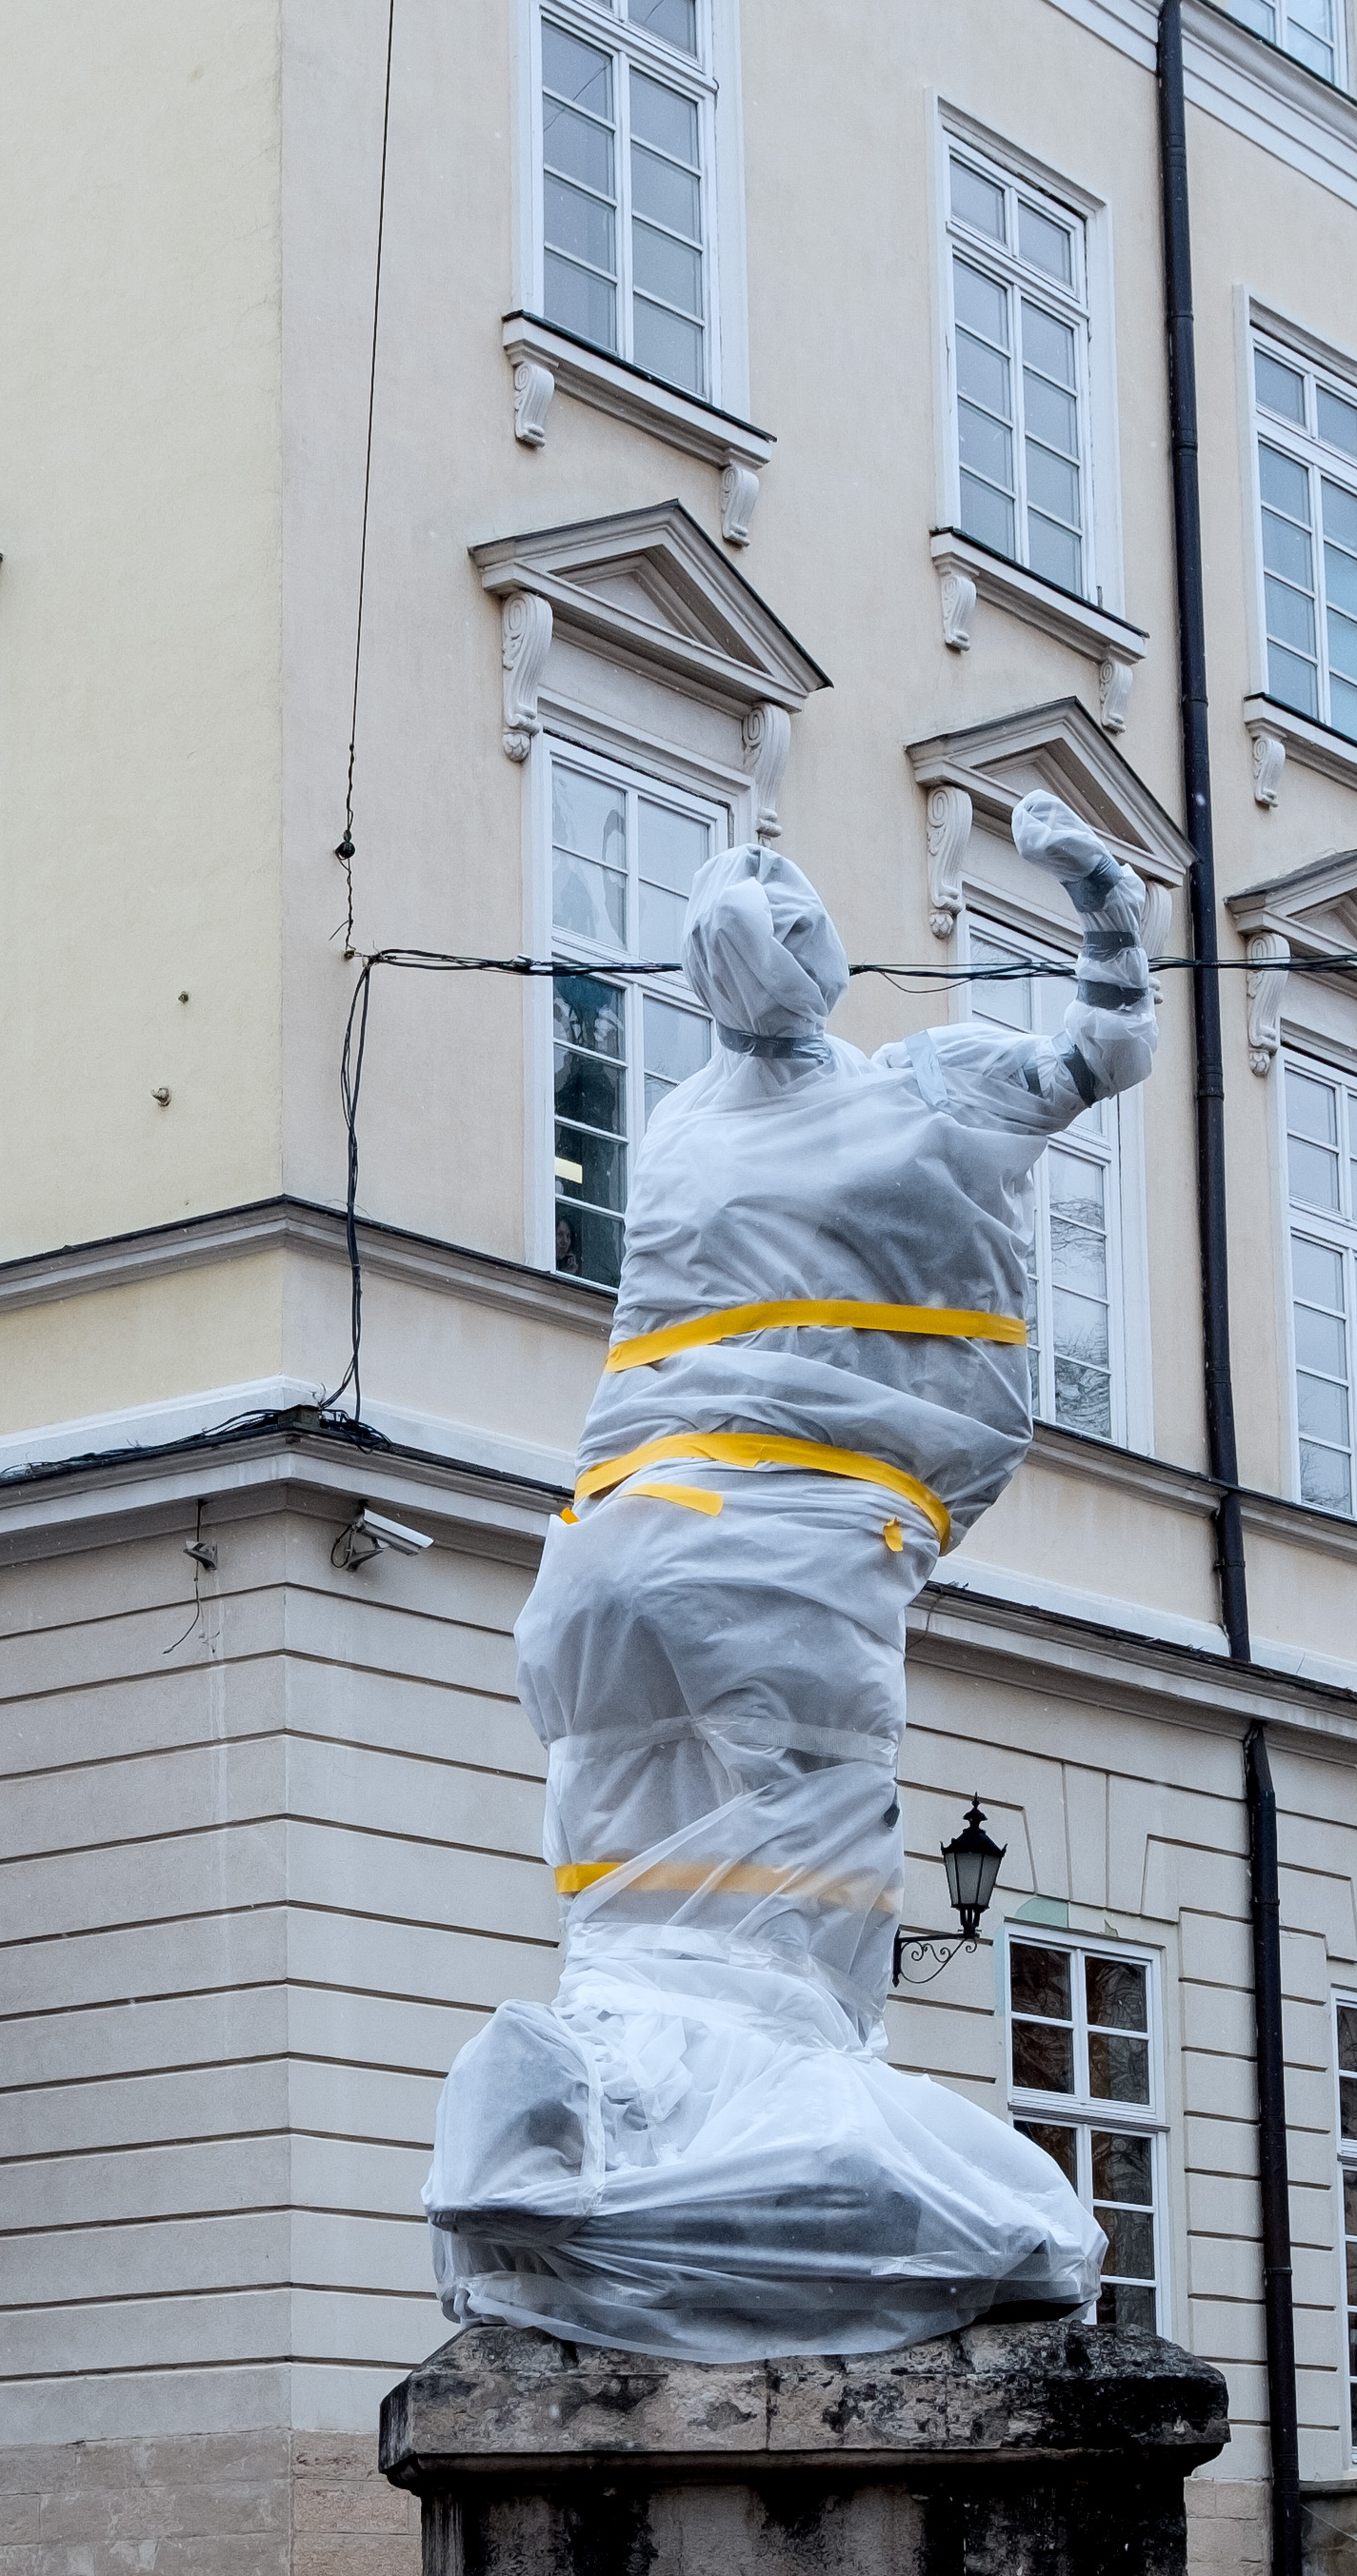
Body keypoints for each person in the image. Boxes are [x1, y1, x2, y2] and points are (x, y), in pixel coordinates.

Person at [428, 797, 1156, 2360]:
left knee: (629, 1917)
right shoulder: (923, 1094)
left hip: (600, 1558)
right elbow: (1105, 1045)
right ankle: (723, 2189)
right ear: (824, 965)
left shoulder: (680, 1130)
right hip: (784, 1559)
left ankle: (577, 2107)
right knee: (803, 1944)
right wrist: (1097, 898)